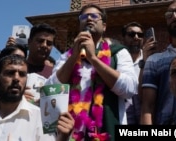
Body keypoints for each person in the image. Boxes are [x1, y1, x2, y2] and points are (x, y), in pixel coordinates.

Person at [46, 4, 138, 141]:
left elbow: (130, 88)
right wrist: (74, 56)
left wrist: (93, 58)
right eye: (83, 16)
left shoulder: (118, 53)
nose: (89, 18)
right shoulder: (66, 57)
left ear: (104, 26)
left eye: (94, 16)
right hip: (72, 135)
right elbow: (51, 89)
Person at [0, 54, 74, 141]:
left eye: (22, 74)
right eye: (10, 73)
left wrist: (62, 138)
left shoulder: (39, 119)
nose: (16, 78)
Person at [121, 21, 156, 124]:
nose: (136, 37)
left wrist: (145, 60)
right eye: (131, 34)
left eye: (140, 35)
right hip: (124, 116)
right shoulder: (118, 60)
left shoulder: (151, 59)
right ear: (123, 38)